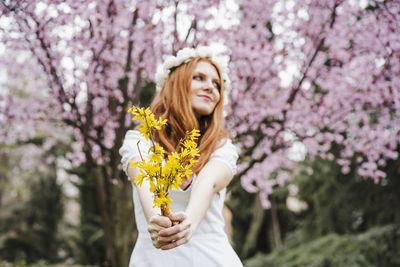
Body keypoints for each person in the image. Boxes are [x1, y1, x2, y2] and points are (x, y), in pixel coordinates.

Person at [119, 46, 243, 267]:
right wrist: (156, 222)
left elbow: (207, 182)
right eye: (199, 78)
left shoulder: (223, 147)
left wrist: (189, 224)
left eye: (217, 84)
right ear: (176, 82)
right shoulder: (140, 141)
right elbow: (146, 182)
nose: (211, 88)